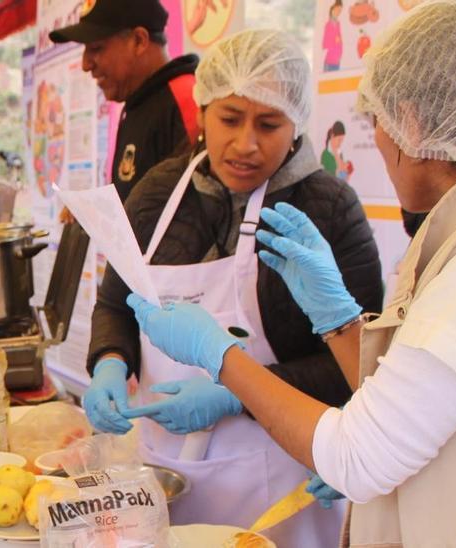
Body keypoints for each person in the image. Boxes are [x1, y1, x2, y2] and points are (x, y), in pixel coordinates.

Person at [123, 2, 456, 545]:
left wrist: (221, 358)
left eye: (375, 120)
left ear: (413, 121)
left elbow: (358, 455)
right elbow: (417, 405)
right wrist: (341, 324)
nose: (376, 140)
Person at [81, 30, 384, 547]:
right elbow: (117, 302)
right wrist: (111, 359)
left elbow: (362, 367)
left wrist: (235, 394)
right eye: (228, 119)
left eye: (268, 125)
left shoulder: (329, 209)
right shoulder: (156, 192)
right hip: (163, 472)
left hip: (281, 479)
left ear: (296, 126)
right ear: (202, 110)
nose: (245, 144)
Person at [49, 0, 201, 204]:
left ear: (139, 41)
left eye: (96, 48)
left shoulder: (186, 96)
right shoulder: (136, 103)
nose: (85, 64)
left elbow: (197, 208)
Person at [323, 1, 344, 72]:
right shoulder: (328, 25)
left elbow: (340, 43)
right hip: (329, 62)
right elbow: (325, 44)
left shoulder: (338, 24)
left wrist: (339, 56)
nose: (338, 12)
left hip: (337, 61)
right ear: (332, 9)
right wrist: (334, 41)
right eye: (337, 10)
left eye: (340, 11)